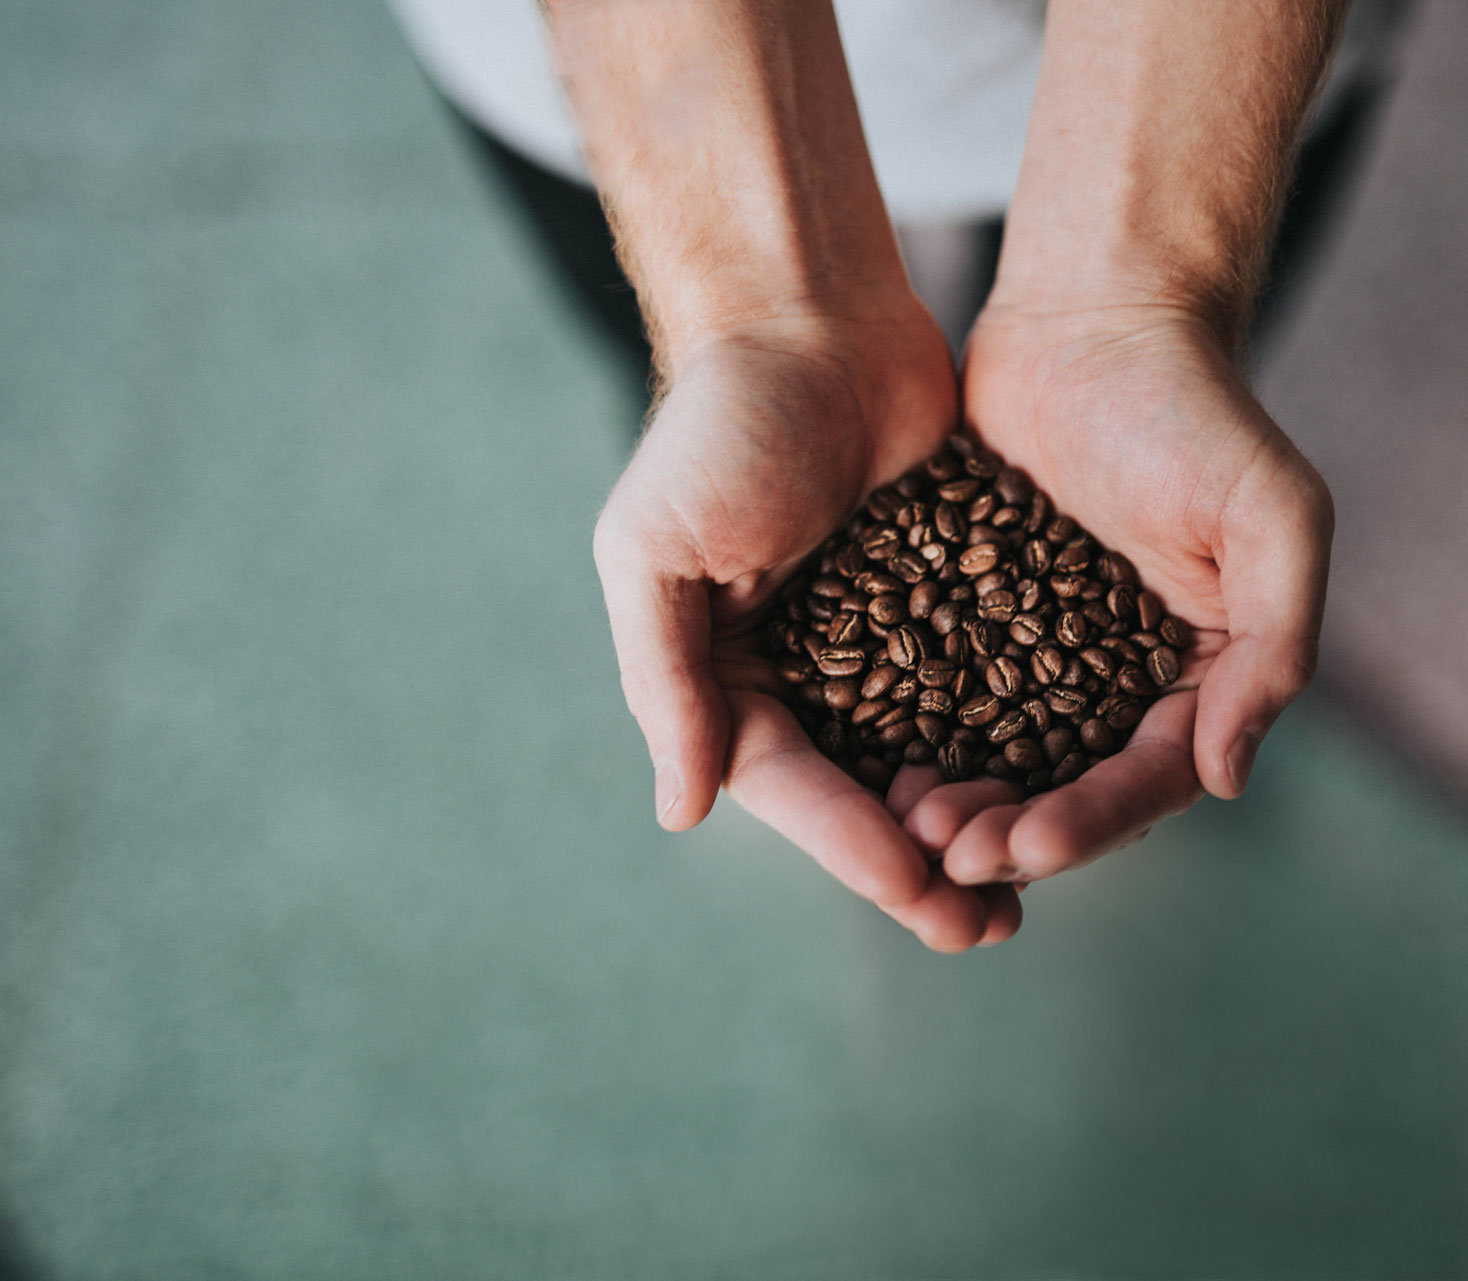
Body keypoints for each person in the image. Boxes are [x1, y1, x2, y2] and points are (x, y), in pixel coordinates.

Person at [393, 1, 1368, 953]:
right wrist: (746, 316)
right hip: (639, 82)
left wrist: (1139, 300)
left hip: (1205, 81)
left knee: (1169, 393)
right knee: (682, 382)